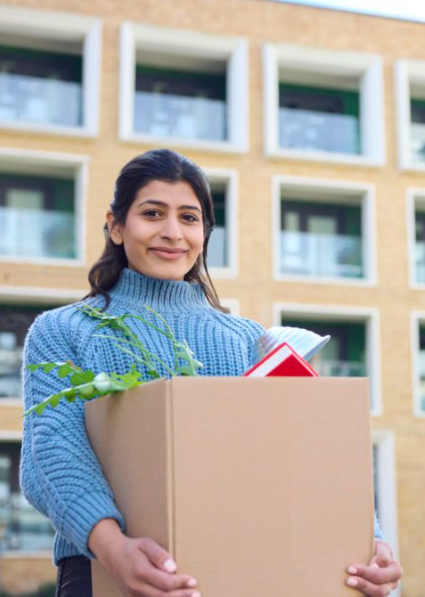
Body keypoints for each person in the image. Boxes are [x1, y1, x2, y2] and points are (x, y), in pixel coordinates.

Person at [20, 149, 402, 597]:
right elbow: (52, 453)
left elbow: (308, 453)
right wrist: (113, 546)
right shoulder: (64, 330)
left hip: (238, 568)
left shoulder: (249, 340)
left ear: (205, 232)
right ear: (116, 225)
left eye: (189, 217)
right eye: (152, 213)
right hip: (104, 570)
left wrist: (367, 539)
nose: (172, 232)